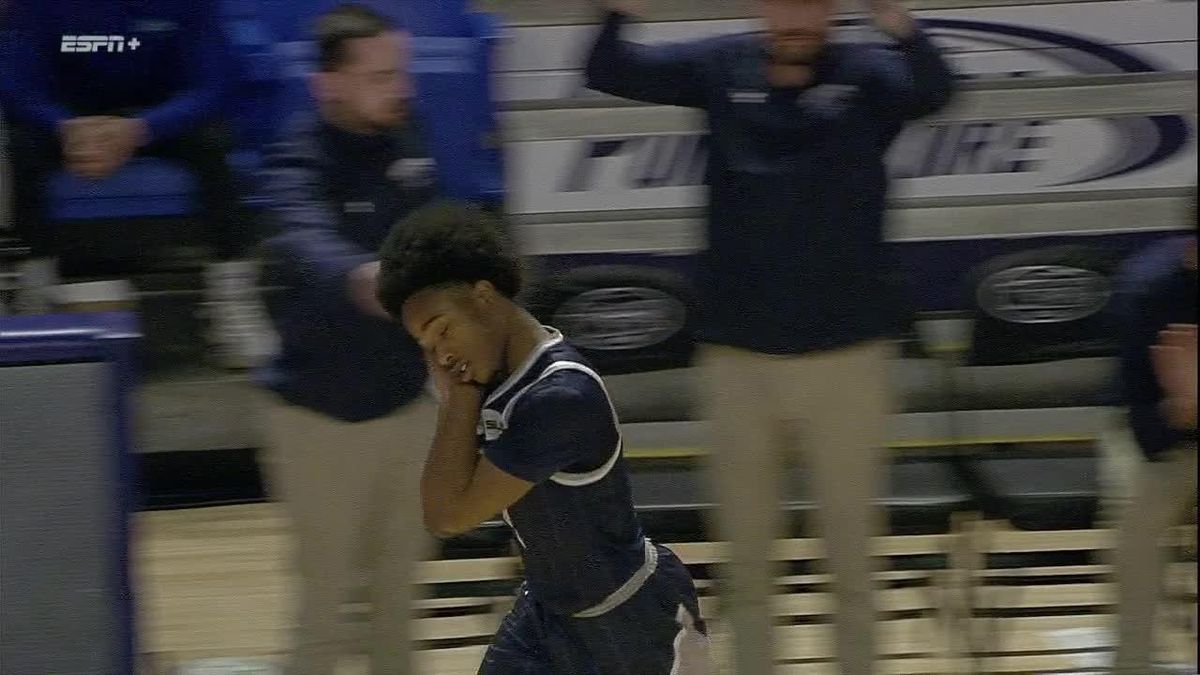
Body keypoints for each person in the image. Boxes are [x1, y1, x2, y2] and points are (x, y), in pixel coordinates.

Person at [585, 1, 957, 673]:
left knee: (851, 562)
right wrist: (616, 14)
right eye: (784, 3)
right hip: (738, 362)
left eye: (813, 5)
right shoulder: (718, 64)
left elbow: (938, 90)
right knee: (748, 568)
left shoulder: (868, 72)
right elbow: (609, 69)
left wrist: (898, 21)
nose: (797, 18)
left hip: (848, 359)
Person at [376, 201, 713, 674]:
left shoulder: (559, 397)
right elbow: (440, 508)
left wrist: (459, 398)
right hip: (547, 612)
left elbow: (450, 514)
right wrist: (463, 392)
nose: (442, 356)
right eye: (428, 349)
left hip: (629, 620)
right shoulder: (492, 376)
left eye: (443, 332)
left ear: (483, 295)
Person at [253, 5, 443, 674]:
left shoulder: (409, 139)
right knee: (325, 609)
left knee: (398, 604)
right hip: (319, 419)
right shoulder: (293, 158)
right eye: (381, 75)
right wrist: (359, 275)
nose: (401, 88)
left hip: (405, 407)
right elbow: (302, 235)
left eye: (403, 72)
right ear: (327, 84)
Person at [0, 0, 269, 366]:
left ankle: (233, 296)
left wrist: (141, 129)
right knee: (21, 145)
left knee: (214, 142)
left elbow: (215, 84)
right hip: (70, 121)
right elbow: (17, 84)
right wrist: (64, 127)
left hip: (156, 119)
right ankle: (35, 296)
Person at [1110, 190, 1197, 675]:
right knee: (1138, 532)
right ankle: (1133, 660)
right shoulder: (1150, 289)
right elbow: (1136, 407)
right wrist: (1181, 409)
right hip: (1158, 438)